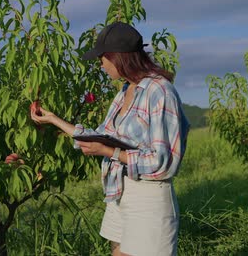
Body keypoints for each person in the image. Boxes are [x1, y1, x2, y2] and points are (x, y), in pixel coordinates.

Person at [30, 22, 190, 256]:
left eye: (103, 58)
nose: (101, 64)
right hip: (120, 192)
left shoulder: (160, 91)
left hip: (149, 197)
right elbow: (103, 136)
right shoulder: (125, 91)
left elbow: (163, 163)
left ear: (118, 58)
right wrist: (55, 120)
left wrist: (109, 153)